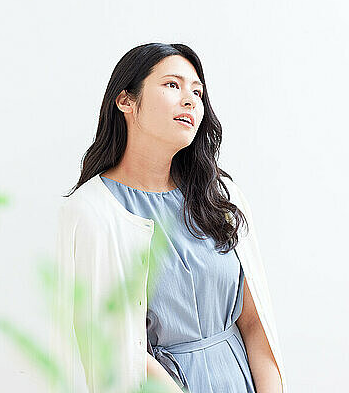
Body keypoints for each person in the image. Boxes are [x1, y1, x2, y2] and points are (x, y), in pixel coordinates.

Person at [52, 43, 287, 393]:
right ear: (126, 101)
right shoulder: (93, 212)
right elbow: (116, 350)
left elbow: (255, 322)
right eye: (172, 85)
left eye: (197, 91)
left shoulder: (221, 195)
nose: (191, 100)